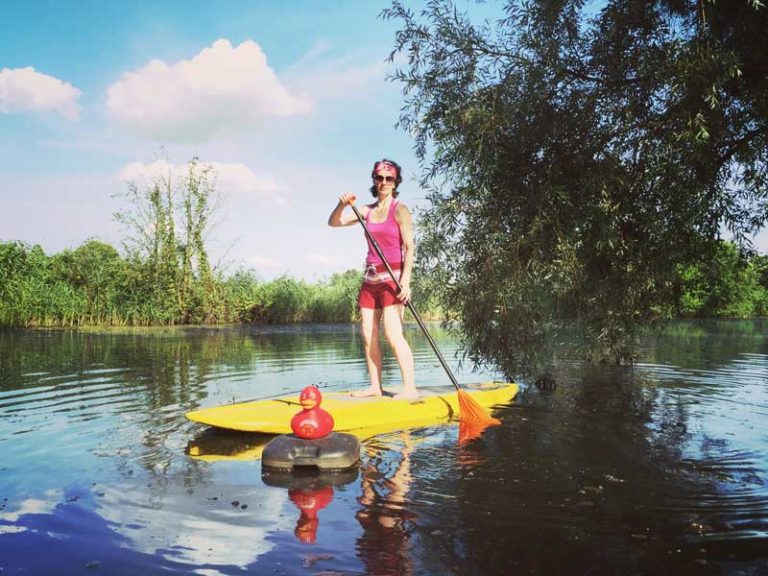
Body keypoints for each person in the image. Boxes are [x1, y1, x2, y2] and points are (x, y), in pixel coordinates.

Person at [327, 158, 418, 400]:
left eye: (389, 178)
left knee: (392, 332)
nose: (384, 182)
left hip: (393, 280)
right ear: (374, 180)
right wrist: (342, 204)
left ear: (395, 181)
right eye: (380, 178)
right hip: (370, 279)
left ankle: (410, 388)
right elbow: (334, 223)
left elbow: (410, 247)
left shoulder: (400, 209)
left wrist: (406, 282)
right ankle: (375, 387)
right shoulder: (365, 210)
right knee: (367, 333)